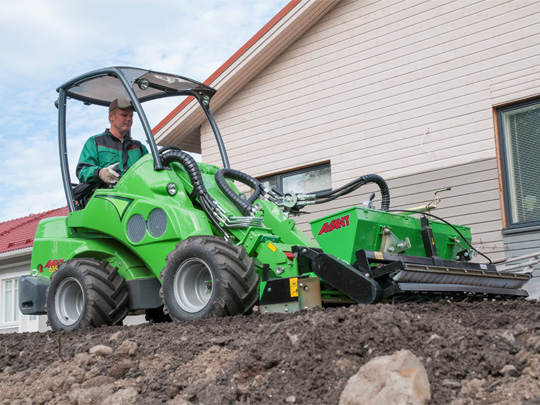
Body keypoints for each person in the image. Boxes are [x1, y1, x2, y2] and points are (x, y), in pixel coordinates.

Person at [76, 98, 149, 186]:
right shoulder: (95, 142)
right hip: (107, 195)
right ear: (111, 117)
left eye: (131, 116)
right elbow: (82, 171)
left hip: (136, 192)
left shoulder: (139, 147)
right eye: (124, 115)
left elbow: (150, 169)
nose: (129, 119)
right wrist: (100, 173)